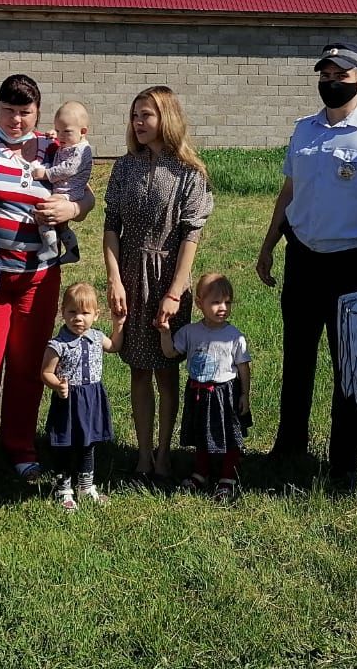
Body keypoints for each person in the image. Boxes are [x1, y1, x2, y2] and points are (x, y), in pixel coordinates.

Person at [256, 42, 357, 492]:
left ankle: (344, 462)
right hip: (302, 257)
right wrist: (269, 245)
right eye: (325, 74)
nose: (331, 82)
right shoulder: (304, 130)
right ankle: (289, 446)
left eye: (341, 75)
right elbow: (289, 193)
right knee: (297, 358)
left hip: (349, 264)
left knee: (349, 366)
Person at [0, 74, 94, 491]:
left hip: (39, 275)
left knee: (29, 368)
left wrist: (72, 208)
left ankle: (21, 449)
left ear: (38, 113)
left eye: (25, 112)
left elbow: (86, 196)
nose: (16, 120)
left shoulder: (55, 147)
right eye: (8, 110)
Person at [104, 85, 213, 487]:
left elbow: (191, 236)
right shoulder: (124, 167)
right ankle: (143, 455)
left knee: (166, 370)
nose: (138, 122)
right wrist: (114, 278)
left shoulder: (189, 173)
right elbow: (111, 225)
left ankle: (166, 455)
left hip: (168, 278)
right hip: (130, 277)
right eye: (135, 115)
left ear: (166, 118)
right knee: (137, 369)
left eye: (146, 115)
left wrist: (175, 292)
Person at [156, 273, 252, 503]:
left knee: (229, 435)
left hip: (225, 393)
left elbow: (243, 367)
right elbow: (170, 352)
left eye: (227, 302)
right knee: (201, 434)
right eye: (216, 302)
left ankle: (227, 476)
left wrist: (245, 394)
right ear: (199, 303)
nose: (223, 308)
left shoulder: (234, 337)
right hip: (198, 392)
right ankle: (201, 472)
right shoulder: (190, 332)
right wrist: (165, 333)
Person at [40, 282, 118, 511]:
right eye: (72, 312)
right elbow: (45, 372)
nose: (78, 318)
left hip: (92, 399)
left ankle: (86, 486)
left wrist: (119, 323)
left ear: (96, 314)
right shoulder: (58, 344)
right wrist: (57, 385)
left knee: (88, 444)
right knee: (64, 445)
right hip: (69, 401)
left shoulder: (96, 336)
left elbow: (114, 346)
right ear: (62, 312)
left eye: (85, 313)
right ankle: (63, 488)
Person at [30, 100, 93, 258]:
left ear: (83, 131)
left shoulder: (83, 150)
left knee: (45, 211)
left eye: (66, 132)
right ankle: (72, 250)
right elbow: (61, 142)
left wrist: (46, 174)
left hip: (70, 191)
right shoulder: (70, 143)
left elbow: (69, 168)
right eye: (58, 130)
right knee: (62, 225)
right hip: (65, 189)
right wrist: (54, 135)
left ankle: (50, 246)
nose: (61, 136)